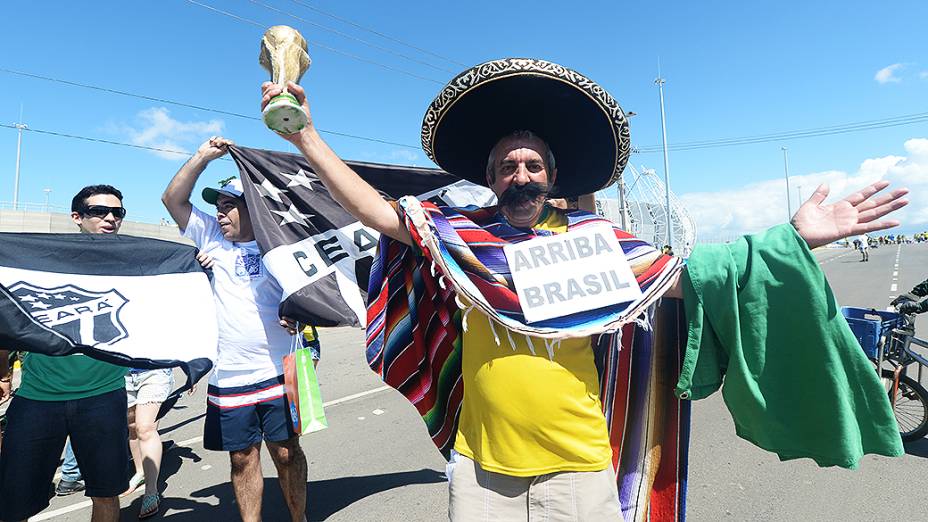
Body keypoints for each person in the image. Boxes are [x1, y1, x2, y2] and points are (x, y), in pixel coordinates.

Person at [260, 57, 909, 521]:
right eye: (508, 164)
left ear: (551, 177)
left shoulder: (595, 245)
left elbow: (687, 277)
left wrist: (789, 240)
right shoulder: (457, 238)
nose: (521, 172)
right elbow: (377, 213)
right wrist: (304, 136)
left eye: (533, 164)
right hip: (482, 475)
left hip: (578, 471)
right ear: (491, 179)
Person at [162, 139, 308, 522]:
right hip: (231, 375)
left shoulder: (282, 241)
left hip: (281, 370)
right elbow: (173, 200)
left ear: (253, 207)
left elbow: (312, 291)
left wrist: (299, 313)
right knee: (243, 458)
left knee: (288, 452)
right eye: (218, 206)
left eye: (229, 205)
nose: (220, 213)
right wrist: (203, 157)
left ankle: (299, 517)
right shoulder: (210, 237)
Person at [0, 185, 130, 522]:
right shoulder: (42, 258)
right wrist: (2, 371)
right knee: (15, 500)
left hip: (103, 395)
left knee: (106, 493)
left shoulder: (133, 262)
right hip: (37, 397)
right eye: (99, 211)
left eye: (117, 212)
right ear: (77, 217)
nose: (110, 218)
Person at [121, 365, 175, 518]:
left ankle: (151, 491)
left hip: (155, 370)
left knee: (145, 428)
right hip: (121, 372)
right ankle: (140, 472)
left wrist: (191, 367)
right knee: (132, 426)